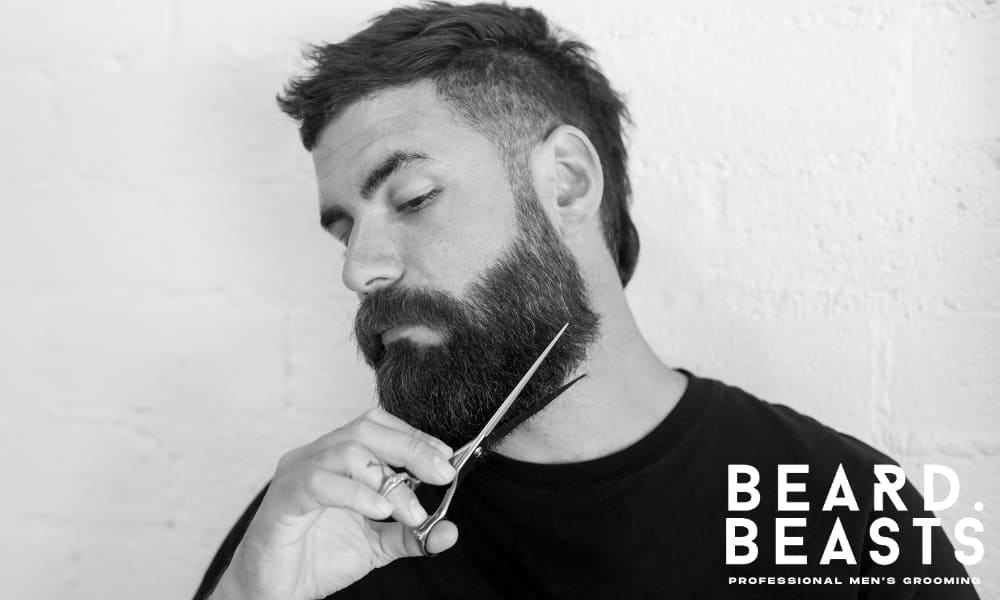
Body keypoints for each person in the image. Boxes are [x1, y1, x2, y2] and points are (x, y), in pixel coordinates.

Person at [195, 3, 980, 599]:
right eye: (344, 232)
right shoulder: (325, 527)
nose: (359, 270)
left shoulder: (841, 516)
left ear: (566, 181)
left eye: (412, 197)